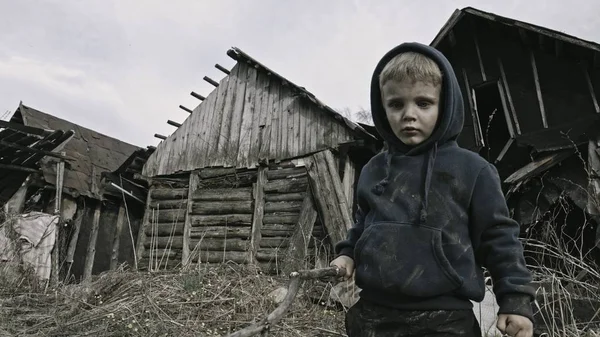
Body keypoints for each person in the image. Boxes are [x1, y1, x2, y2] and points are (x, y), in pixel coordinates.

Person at [330, 42, 535, 337]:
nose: (408, 114)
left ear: (445, 104)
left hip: (445, 318)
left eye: (423, 103)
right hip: (372, 314)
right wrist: (348, 253)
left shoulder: (473, 170)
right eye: (396, 104)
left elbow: (499, 239)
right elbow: (364, 223)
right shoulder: (375, 168)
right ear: (382, 107)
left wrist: (515, 300)